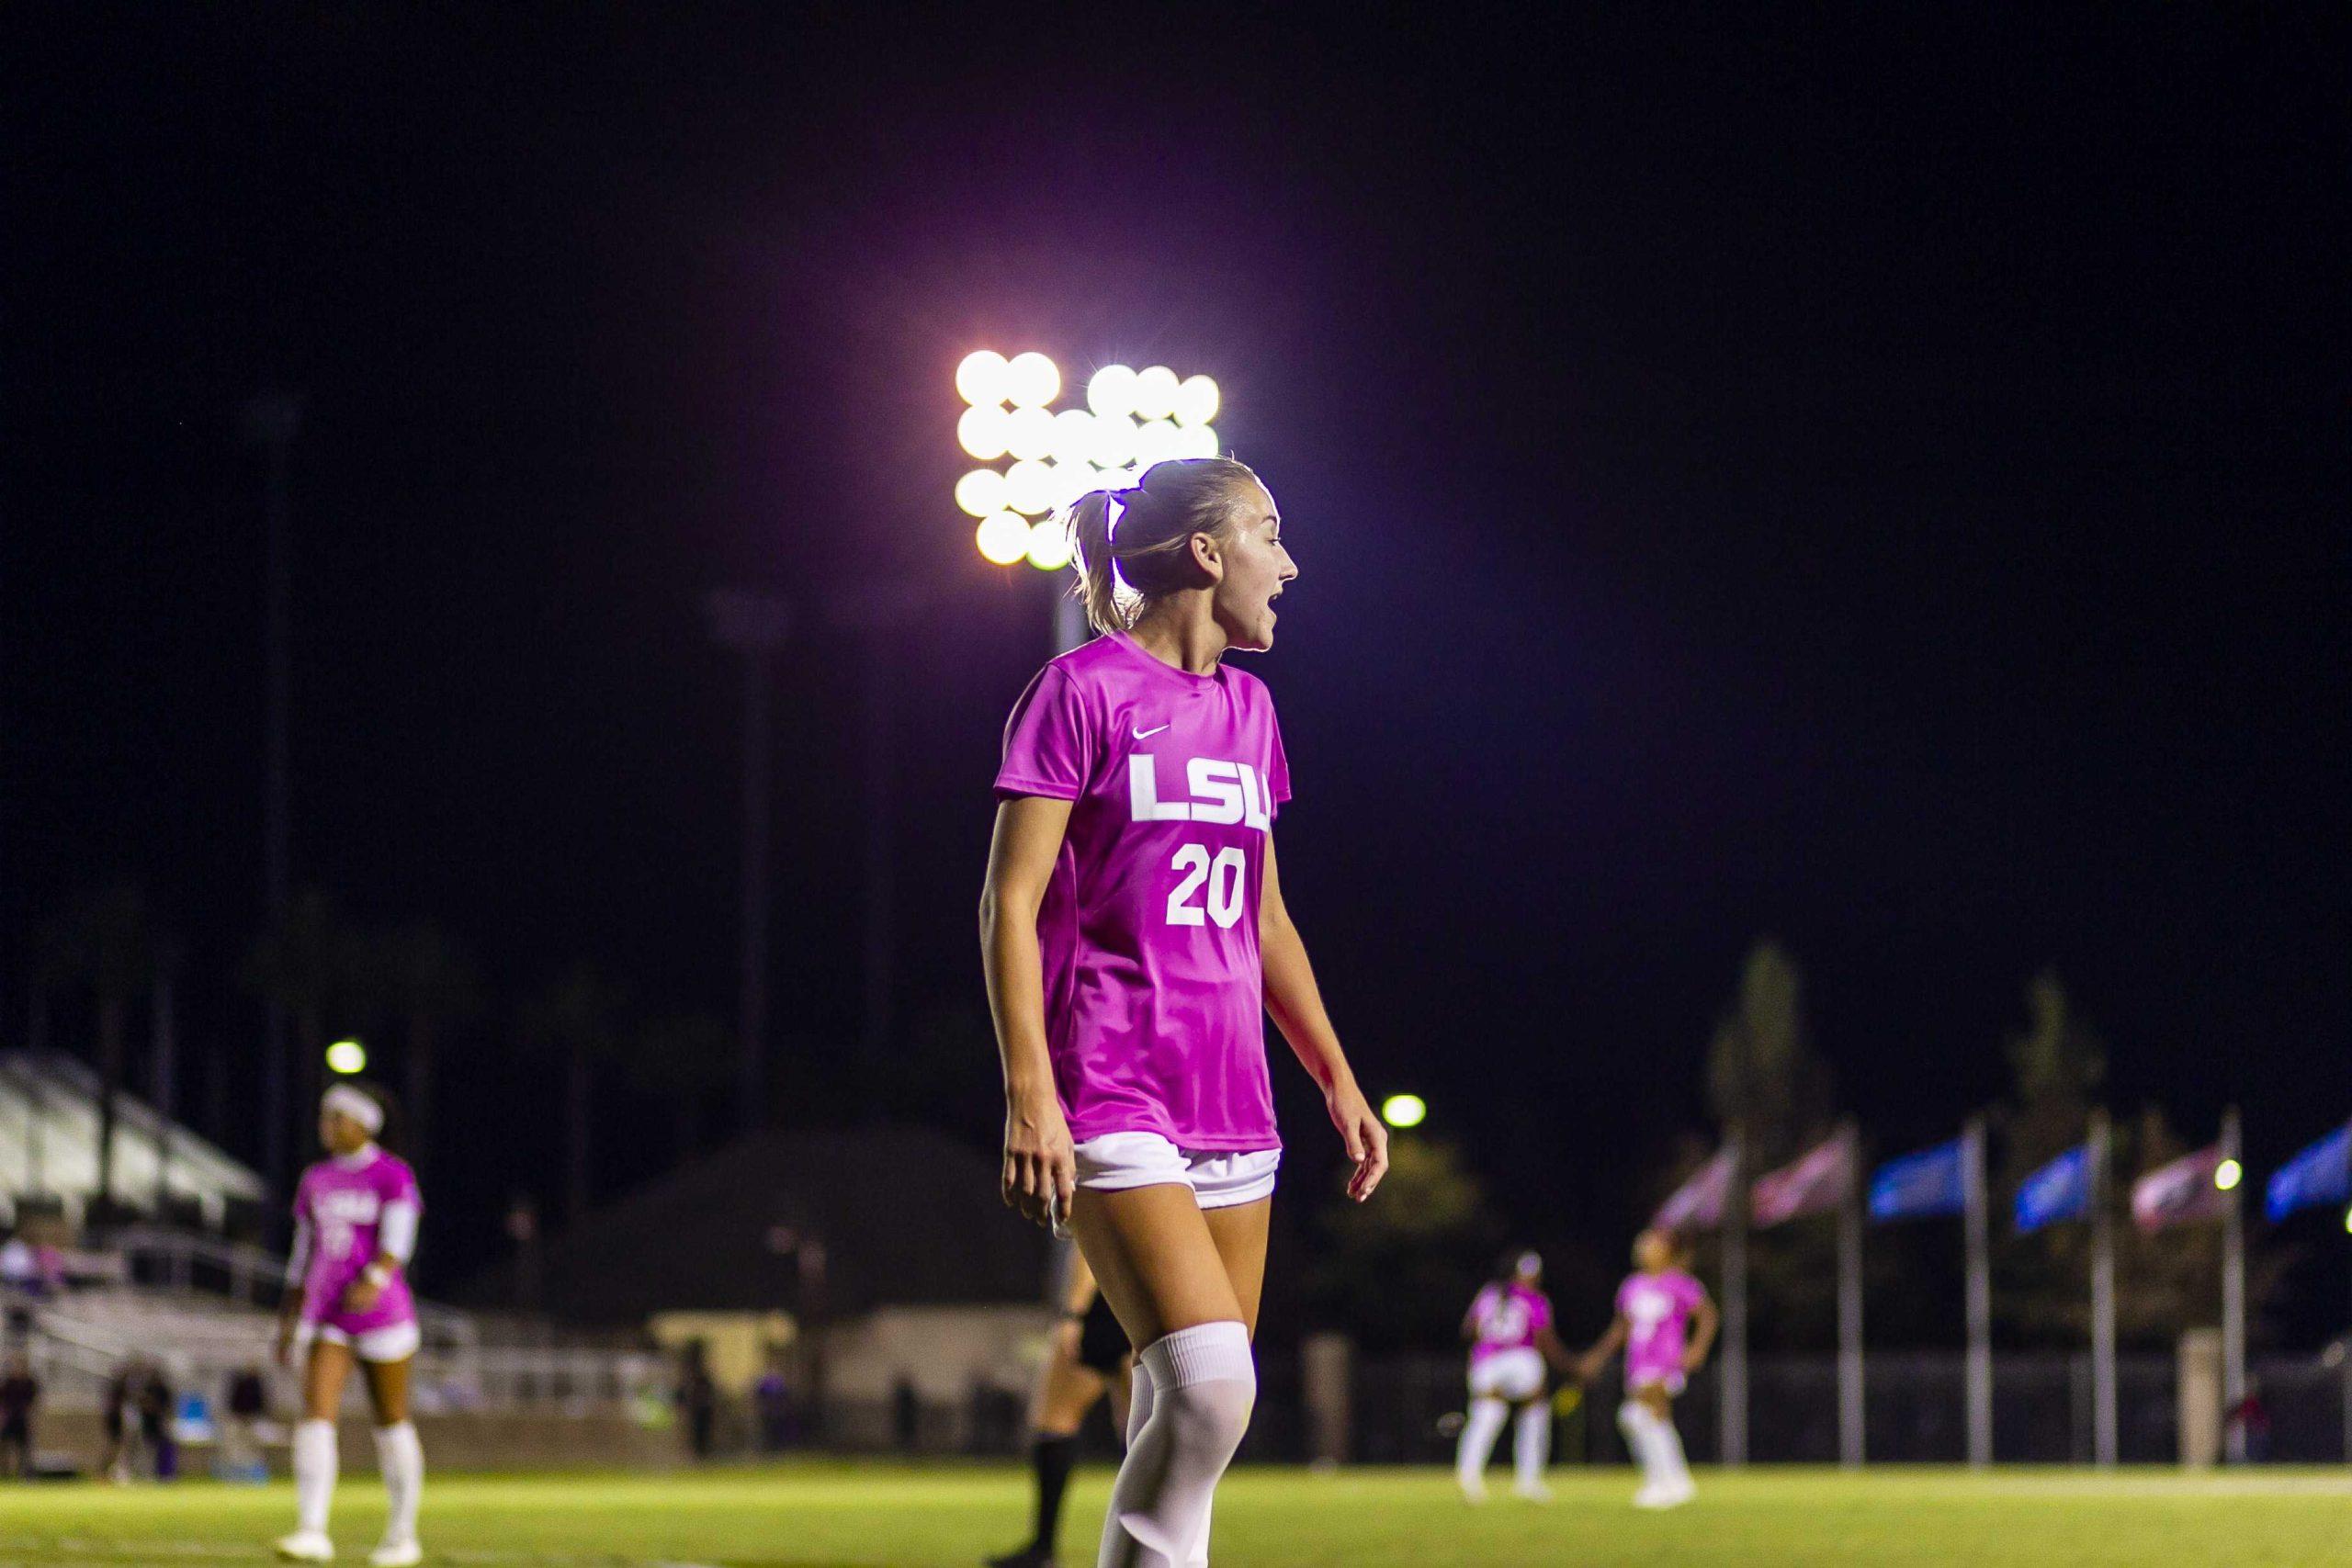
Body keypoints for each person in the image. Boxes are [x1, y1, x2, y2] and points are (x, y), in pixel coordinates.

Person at [983, 456, 1388, 1568]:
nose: (1291, 564)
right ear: (1206, 554)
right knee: (1211, 1395)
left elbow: (1263, 919)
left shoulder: (1251, 711)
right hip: (1110, 1087)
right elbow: (1009, 904)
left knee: (1189, 1418)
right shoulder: (1079, 691)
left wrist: (1334, 1077)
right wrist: (1030, 1095)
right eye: (1270, 532)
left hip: (1234, 1100)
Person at [273, 1083, 426, 1566]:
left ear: (364, 1124)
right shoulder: (315, 1178)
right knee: (316, 1415)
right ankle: (312, 1530)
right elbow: (303, 1254)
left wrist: (376, 1278)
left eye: (336, 1117)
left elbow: (398, 1242)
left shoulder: (392, 1175)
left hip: (383, 1317)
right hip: (329, 1315)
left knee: (391, 1421)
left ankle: (402, 1536)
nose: (328, 1126)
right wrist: (288, 1318)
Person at [987, 1247, 1137, 1568]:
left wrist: (1073, 1314)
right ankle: (1154, 1542)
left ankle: (1043, 1549)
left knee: (1053, 1419)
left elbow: (1089, 1239)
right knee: (1140, 1427)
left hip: (1103, 1304)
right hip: (1139, 1295)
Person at [1577, 1228, 1718, 1509]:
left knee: (1638, 1413)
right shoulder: (1632, 1285)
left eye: (1652, 1244)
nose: (1644, 1249)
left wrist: (1697, 1350)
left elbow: (1708, 1316)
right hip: (1638, 1365)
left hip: (1666, 1361)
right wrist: (1598, 1355)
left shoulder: (1679, 1283)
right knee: (1648, 1419)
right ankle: (1676, 1482)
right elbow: (1622, 1328)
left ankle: (1660, 1483)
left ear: (1667, 1250)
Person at [1454, 1249, 1572, 1503]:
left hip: (1486, 1361)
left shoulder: (1488, 1293)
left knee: (1487, 1415)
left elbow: (1468, 1329)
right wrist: (1568, 1365)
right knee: (1535, 1410)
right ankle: (1529, 1481)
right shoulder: (1535, 1299)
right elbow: (1544, 1339)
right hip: (1521, 1359)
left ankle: (1469, 1476)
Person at [0, 1352, 37, 1478]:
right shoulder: (8, 1383)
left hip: (22, 1420)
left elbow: (33, 1402)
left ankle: (24, 1474)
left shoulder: (29, 1383)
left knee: (24, 1448)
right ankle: (5, 1473)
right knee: (5, 1446)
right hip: (10, 1419)